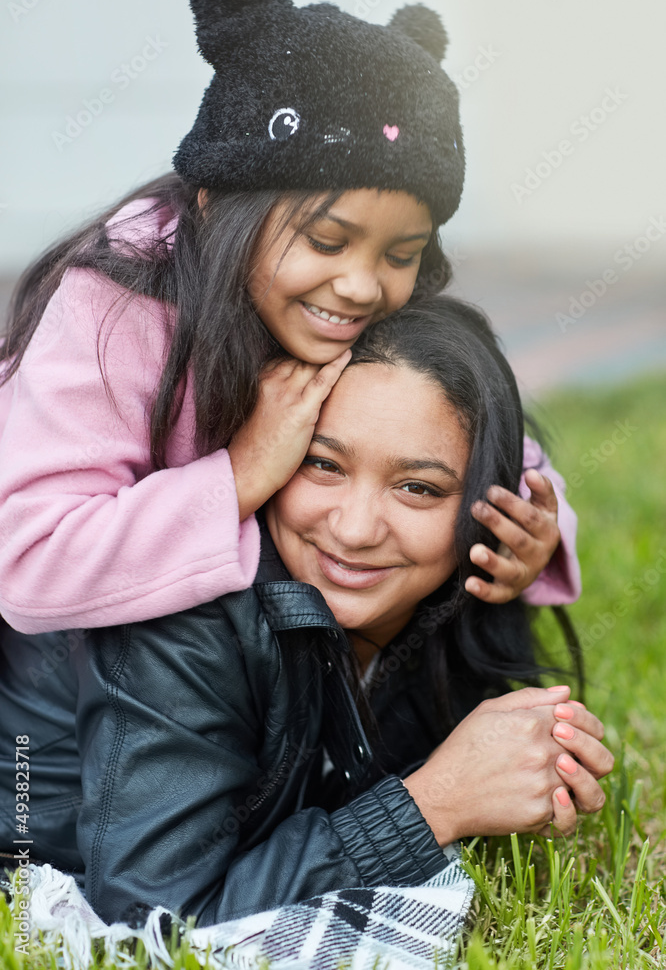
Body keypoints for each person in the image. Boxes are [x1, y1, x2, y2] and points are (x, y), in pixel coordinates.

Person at [0, 298, 612, 930]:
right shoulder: (186, 613)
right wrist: (434, 803)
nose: (354, 529)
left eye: (418, 488)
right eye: (322, 463)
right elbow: (154, 919)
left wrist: (521, 762)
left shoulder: (469, 580)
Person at [0, 0, 579, 638]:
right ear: (219, 212)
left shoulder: (366, 307)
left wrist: (535, 534)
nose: (363, 286)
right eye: (327, 240)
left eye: (400, 253)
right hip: (47, 695)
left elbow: (497, 452)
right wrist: (241, 474)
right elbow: (31, 563)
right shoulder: (118, 307)